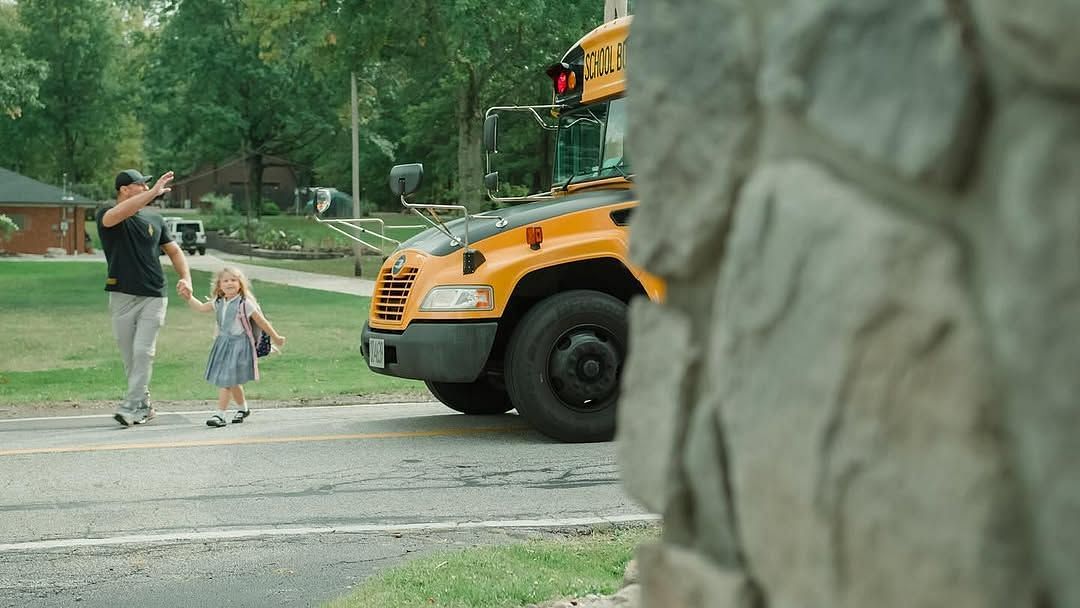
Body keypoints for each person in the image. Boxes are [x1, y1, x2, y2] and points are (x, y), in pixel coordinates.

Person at [97, 169, 192, 427]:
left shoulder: (155, 218)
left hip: (154, 295)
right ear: (124, 189)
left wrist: (186, 278)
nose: (145, 188)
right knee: (130, 358)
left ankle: (131, 406)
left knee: (143, 352)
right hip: (121, 296)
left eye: (146, 186)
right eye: (141, 185)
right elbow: (119, 213)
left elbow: (174, 251)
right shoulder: (106, 213)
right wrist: (153, 193)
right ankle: (144, 404)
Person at [182, 266, 285, 427]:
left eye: (233, 280)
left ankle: (220, 415)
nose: (229, 283)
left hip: (239, 345)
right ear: (219, 285)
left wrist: (276, 337)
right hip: (223, 344)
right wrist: (189, 297)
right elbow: (201, 308)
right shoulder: (218, 302)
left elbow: (262, 322)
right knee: (232, 380)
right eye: (225, 280)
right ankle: (243, 409)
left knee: (227, 380)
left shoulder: (245, 304)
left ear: (240, 284)